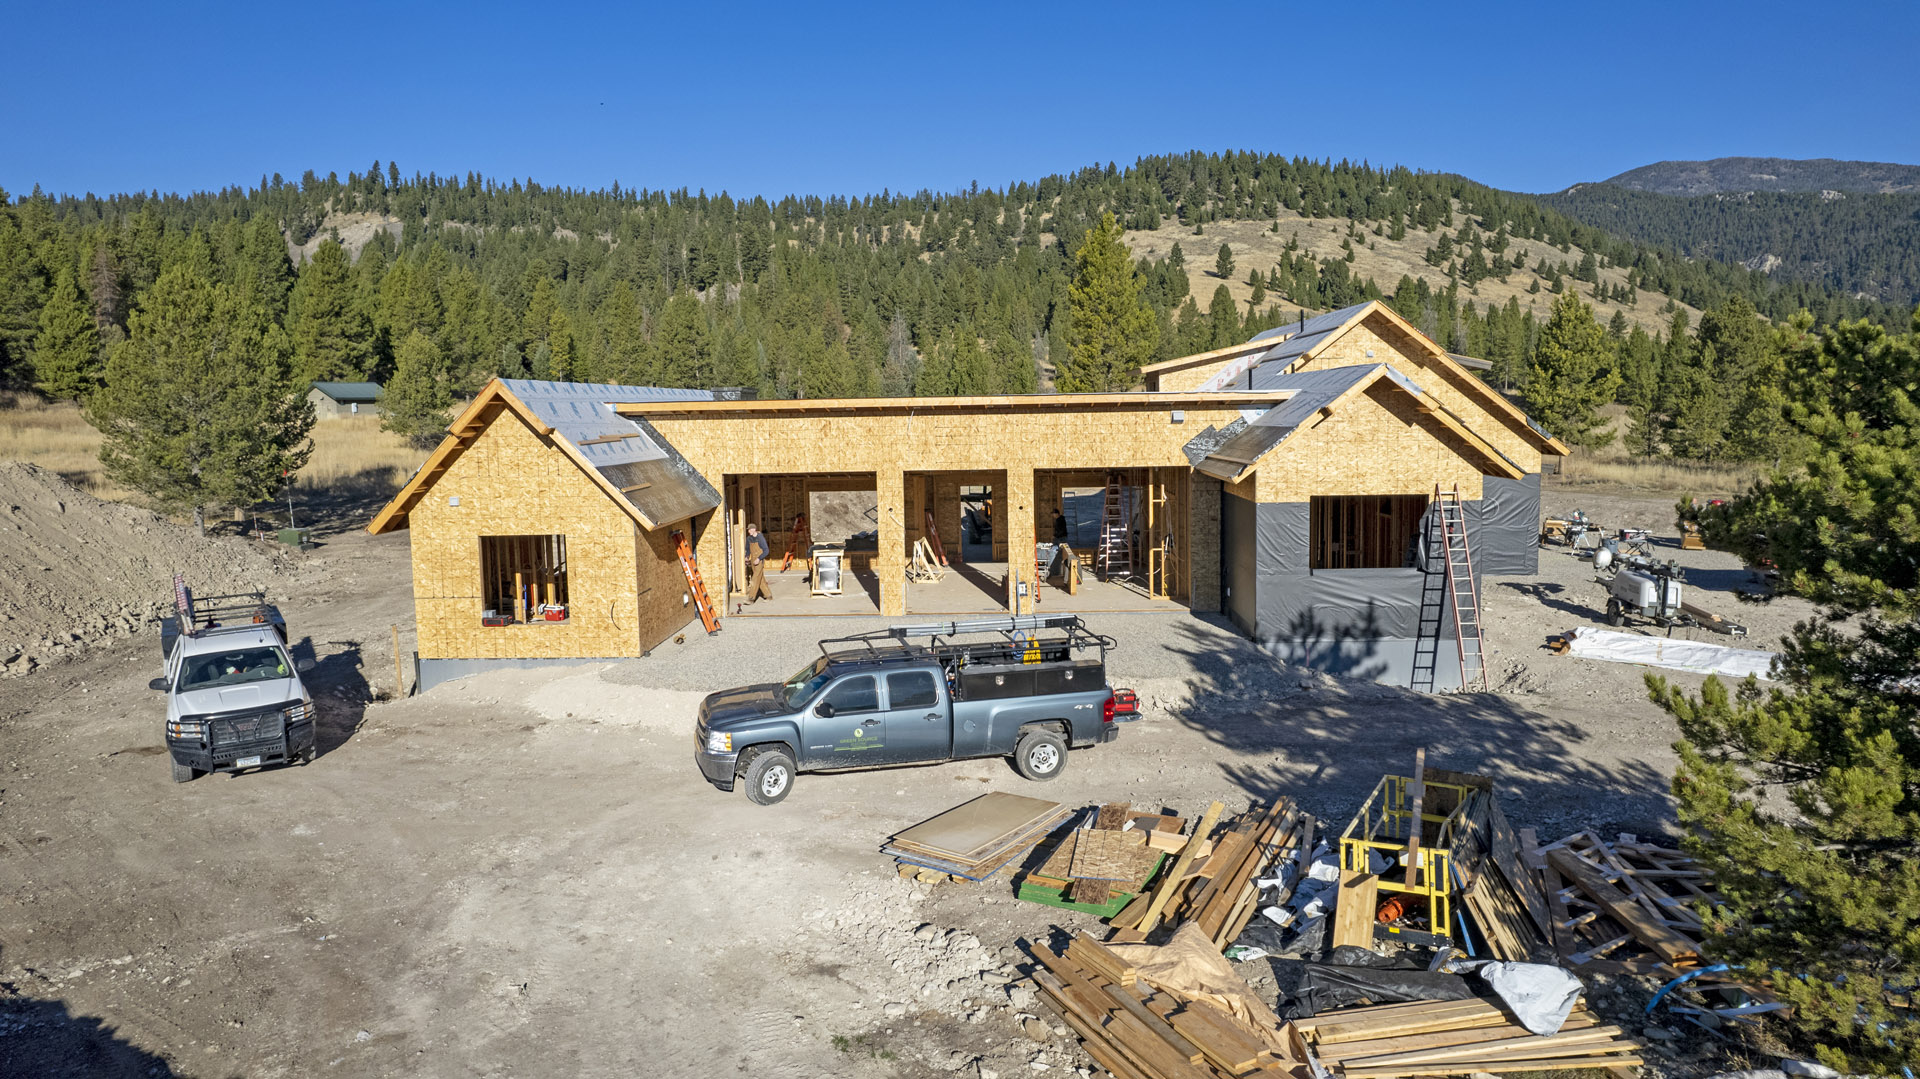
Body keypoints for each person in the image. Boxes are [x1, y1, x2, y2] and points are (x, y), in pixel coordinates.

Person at [745, 523, 773, 603]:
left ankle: (751, 598)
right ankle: (768, 595)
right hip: (753, 560)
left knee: (755, 578)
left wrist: (759, 558)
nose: (749, 531)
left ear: (754, 529)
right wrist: (747, 557)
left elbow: (766, 550)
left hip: (759, 561)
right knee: (760, 579)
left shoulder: (760, 538)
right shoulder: (749, 539)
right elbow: (747, 549)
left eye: (750, 530)